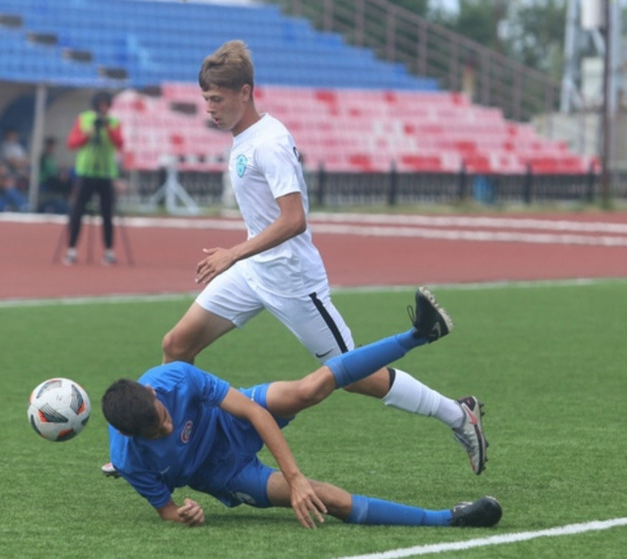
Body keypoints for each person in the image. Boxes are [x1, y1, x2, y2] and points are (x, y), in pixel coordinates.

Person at [129, 40, 486, 479]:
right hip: (254, 273)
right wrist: (241, 259)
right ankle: (161, 441)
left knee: (352, 375)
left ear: (246, 92)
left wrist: (233, 253)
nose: (210, 108)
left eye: (217, 99)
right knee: (176, 346)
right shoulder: (245, 138)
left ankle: (457, 414)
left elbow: (294, 220)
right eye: (205, 99)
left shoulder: (270, 143)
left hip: (293, 280)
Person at [102, 288, 502, 529]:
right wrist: (186, 513)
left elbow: (253, 413)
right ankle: (450, 518)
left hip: (230, 422)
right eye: (155, 434)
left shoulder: (174, 377)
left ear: (153, 394)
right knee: (330, 500)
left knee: (310, 388)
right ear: (129, 436)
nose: (168, 430)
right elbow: (167, 511)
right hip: (223, 474)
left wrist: (294, 477)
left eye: (165, 418)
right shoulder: (130, 459)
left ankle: (417, 334)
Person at [63, 91, 123, 266]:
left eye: (106, 104)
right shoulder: (84, 119)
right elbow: (72, 143)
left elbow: (119, 143)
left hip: (105, 173)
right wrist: (86, 134)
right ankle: (71, 249)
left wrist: (107, 128)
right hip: (85, 171)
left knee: (106, 213)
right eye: (101, 104)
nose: (103, 108)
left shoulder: (113, 122)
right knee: (77, 211)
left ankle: (109, 250)